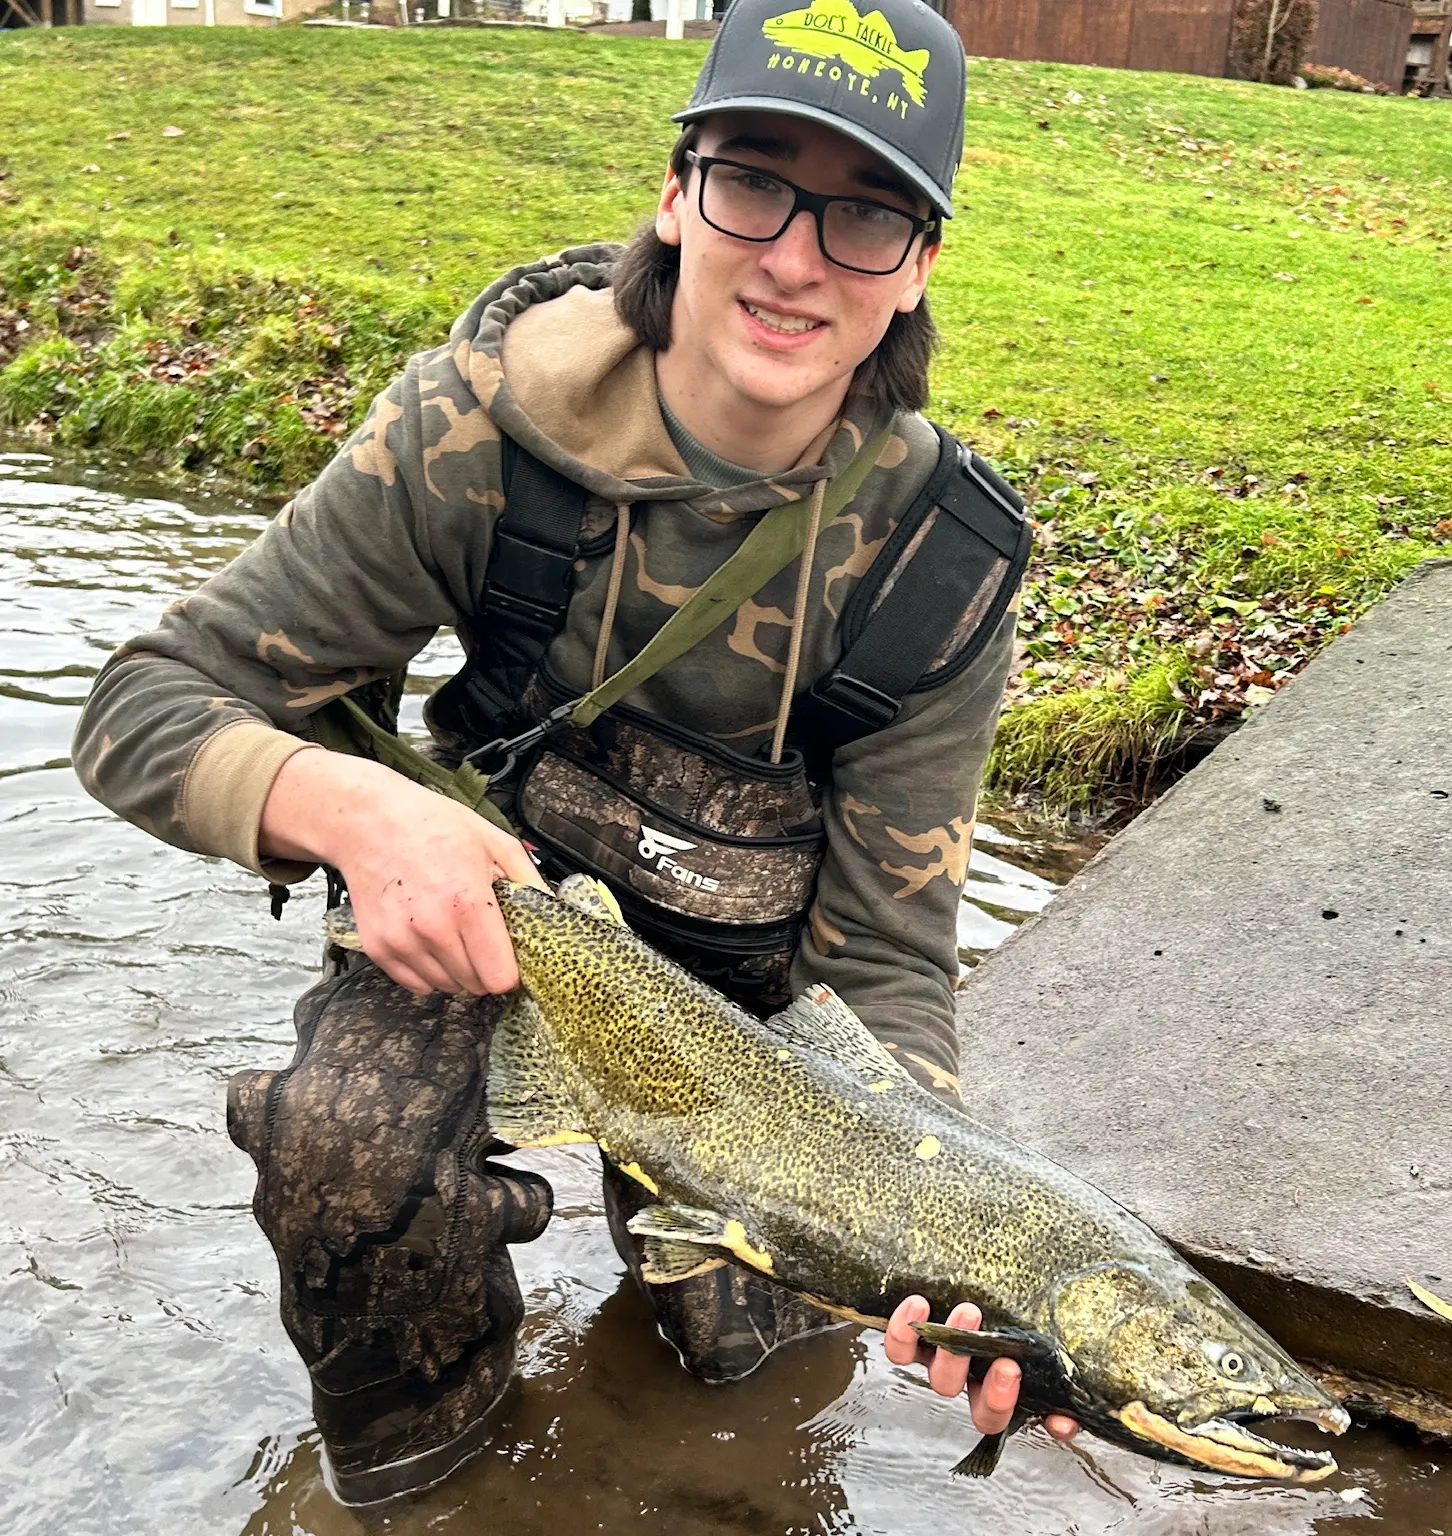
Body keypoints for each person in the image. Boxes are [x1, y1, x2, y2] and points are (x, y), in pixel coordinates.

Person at [74, 0, 1075, 1505]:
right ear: (678, 194)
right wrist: (348, 807)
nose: (796, 257)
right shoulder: (475, 429)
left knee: (759, 1368)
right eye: (755, 183)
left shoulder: (940, 569)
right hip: (487, 941)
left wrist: (941, 1235)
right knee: (351, 1157)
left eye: (866, 214)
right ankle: (430, 1482)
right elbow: (147, 701)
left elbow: (886, 974)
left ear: (921, 262)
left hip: (757, 1030)